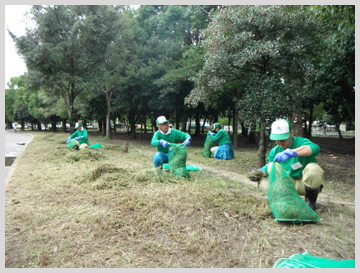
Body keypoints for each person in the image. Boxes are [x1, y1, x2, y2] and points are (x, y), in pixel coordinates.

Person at [250, 119, 324, 210]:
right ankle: (285, 199)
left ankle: (310, 203)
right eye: (277, 138)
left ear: (292, 133)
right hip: (289, 185)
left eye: (283, 138)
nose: (280, 141)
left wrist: (291, 152)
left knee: (314, 168)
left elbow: (315, 148)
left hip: (306, 184)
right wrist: (260, 173)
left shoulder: (301, 142)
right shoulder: (276, 150)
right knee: (272, 165)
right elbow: (269, 167)